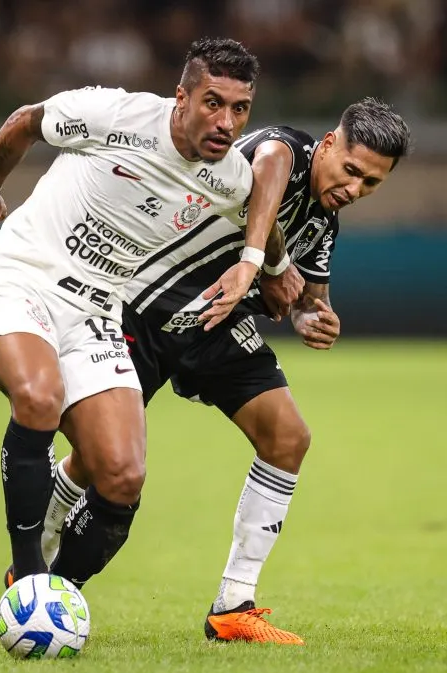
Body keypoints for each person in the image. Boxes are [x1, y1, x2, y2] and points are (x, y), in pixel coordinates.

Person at [36, 98, 412, 644]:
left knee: (288, 438)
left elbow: (310, 298)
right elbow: (267, 172)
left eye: (371, 184)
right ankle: (40, 566)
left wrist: (314, 318)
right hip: (146, 304)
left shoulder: (324, 225)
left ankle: (234, 605)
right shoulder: (286, 150)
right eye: (352, 170)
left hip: (214, 325)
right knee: (101, 460)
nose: (354, 188)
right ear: (329, 144)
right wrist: (266, 263)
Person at [0, 38, 284, 589]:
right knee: (38, 396)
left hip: (96, 310)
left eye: (240, 109)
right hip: (22, 278)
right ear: (181, 96)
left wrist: (271, 269)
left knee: (121, 475)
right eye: (213, 102)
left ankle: (59, 595)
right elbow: (25, 122)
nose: (227, 122)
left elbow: (262, 217)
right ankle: (29, 578)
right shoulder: (115, 114)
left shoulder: (229, 175)